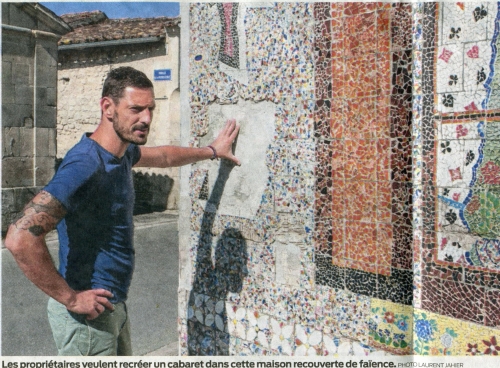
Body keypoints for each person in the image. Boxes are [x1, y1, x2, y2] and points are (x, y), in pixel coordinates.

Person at [4, 66, 240, 356]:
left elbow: (164, 156)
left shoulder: (123, 152)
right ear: (108, 107)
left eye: (151, 109)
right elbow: (19, 237)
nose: (147, 118)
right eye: (136, 109)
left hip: (110, 308)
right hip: (86, 321)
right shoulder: (85, 165)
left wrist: (212, 151)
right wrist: (71, 299)